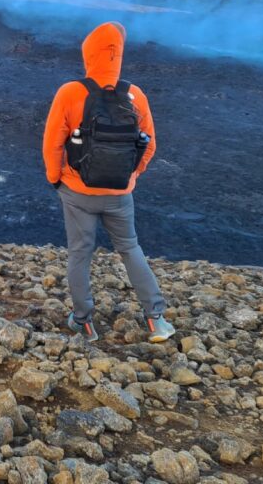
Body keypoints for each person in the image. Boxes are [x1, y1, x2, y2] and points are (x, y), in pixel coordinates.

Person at [42, 21, 174, 343]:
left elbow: (52, 144)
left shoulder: (71, 92)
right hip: (119, 193)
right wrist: (131, 176)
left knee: (80, 253)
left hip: (77, 191)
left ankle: (84, 323)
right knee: (130, 248)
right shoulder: (135, 95)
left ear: (89, 54)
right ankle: (156, 320)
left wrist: (56, 179)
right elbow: (150, 144)